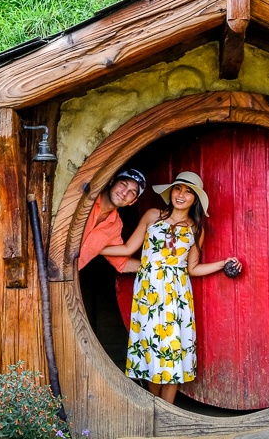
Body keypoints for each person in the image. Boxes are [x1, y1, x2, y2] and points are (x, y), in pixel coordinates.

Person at [100, 171, 241, 404]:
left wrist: (222, 264)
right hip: (148, 291)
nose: (181, 194)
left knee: (172, 351)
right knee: (150, 348)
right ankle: (154, 407)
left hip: (176, 294)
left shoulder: (196, 230)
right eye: (178, 189)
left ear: (195, 199)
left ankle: (168, 411)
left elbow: (193, 268)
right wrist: (92, 249)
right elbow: (127, 250)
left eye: (188, 192)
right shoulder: (152, 216)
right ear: (171, 192)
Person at [75, 168, 147, 274]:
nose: (124, 193)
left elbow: (122, 264)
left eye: (132, 192)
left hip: (60, 279)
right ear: (112, 181)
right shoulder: (84, 199)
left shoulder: (115, 226)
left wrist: (162, 267)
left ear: (132, 202)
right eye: (123, 184)